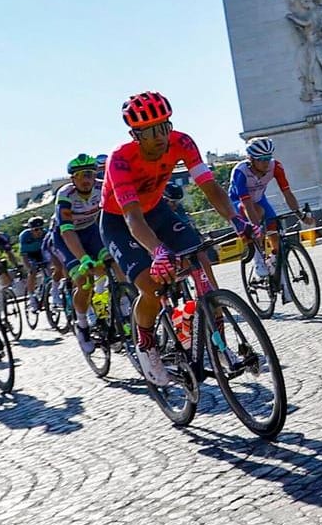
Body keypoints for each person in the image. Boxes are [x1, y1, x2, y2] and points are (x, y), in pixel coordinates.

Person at [101, 91, 250, 385]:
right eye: (150, 131)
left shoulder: (182, 141)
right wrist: (157, 251)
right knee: (152, 287)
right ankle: (147, 347)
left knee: (201, 258)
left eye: (164, 127)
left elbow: (208, 186)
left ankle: (219, 344)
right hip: (121, 221)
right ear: (135, 134)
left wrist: (235, 218)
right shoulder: (120, 159)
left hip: (156, 210)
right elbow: (132, 217)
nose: (160, 137)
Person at [228, 137, 305, 282]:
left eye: (268, 158)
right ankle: (258, 261)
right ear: (251, 159)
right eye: (261, 159)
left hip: (259, 199)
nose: (266, 162)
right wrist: (256, 228)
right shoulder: (240, 172)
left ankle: (275, 262)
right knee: (257, 219)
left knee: (274, 230)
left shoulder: (275, 166)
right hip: (239, 203)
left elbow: (287, 193)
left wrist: (300, 215)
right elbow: (247, 205)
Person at [52, 154, 108, 353]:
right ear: (72, 179)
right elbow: (67, 230)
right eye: (81, 176)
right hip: (66, 236)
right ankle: (82, 324)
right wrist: (84, 258)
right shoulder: (65, 194)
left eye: (90, 175)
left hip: (90, 231)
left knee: (113, 264)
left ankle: (121, 309)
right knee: (84, 279)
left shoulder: (103, 186)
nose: (86, 180)